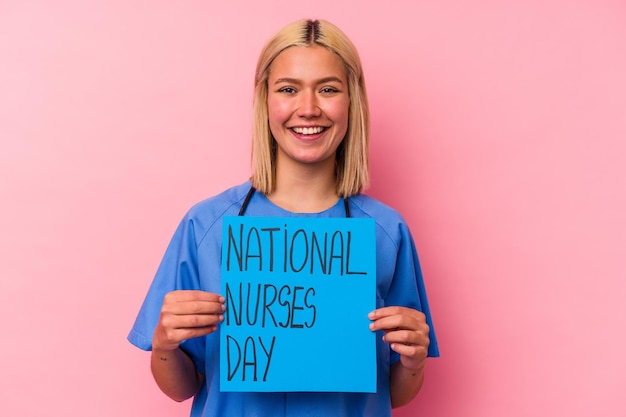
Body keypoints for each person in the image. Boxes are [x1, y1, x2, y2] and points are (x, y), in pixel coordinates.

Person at [128, 18, 439, 417]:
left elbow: (392, 392)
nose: (307, 109)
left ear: (352, 101)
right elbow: (180, 389)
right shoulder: (206, 226)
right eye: (288, 89)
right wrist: (166, 343)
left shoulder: (385, 233)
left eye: (328, 89)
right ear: (265, 100)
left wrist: (414, 360)